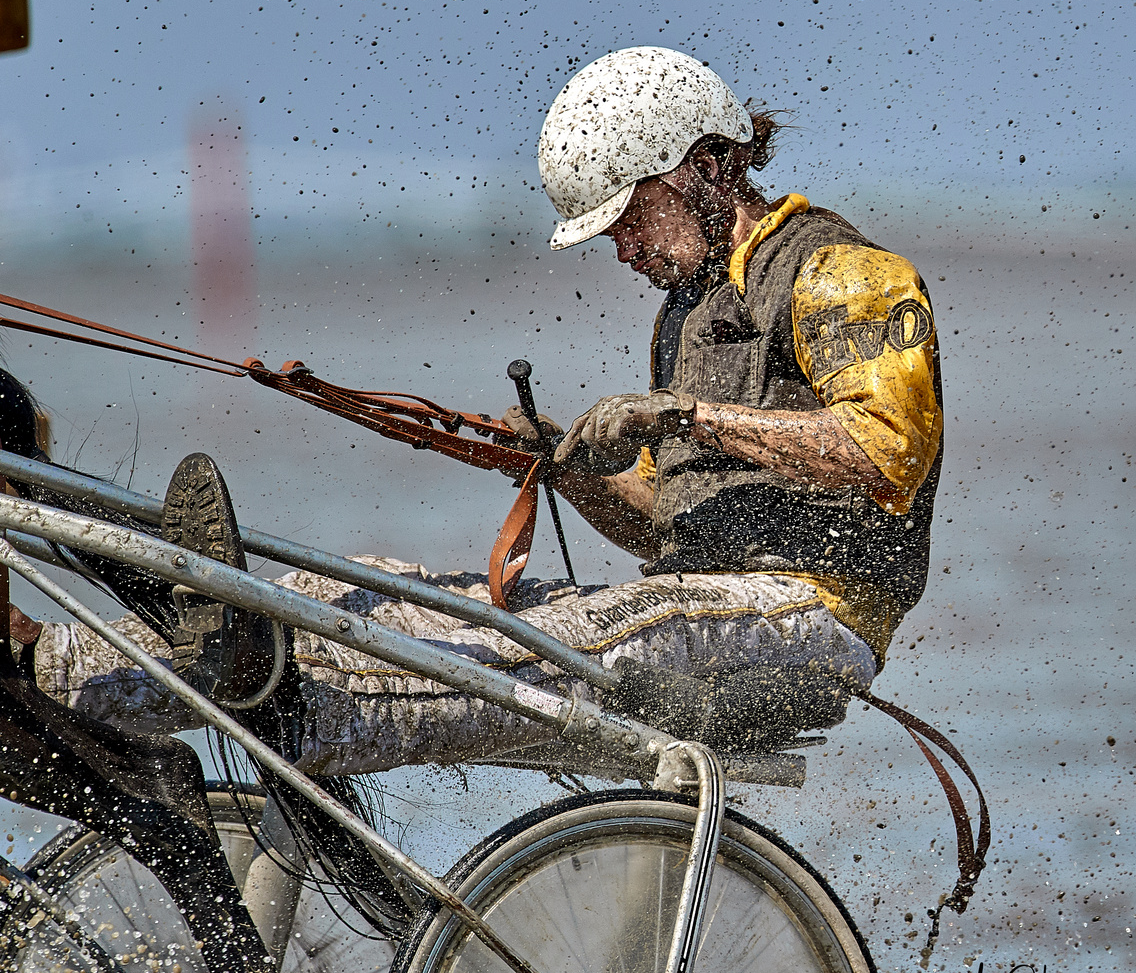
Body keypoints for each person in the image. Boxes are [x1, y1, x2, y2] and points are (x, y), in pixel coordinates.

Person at [15, 46, 941, 776]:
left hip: (808, 616)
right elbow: (665, 528)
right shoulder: (684, 317)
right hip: (698, 599)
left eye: (627, 217)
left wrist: (682, 418)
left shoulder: (839, 272)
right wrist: (564, 468)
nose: (619, 248)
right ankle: (59, 665)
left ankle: (283, 698)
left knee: (504, 650)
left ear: (705, 166)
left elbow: (886, 452)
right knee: (358, 593)